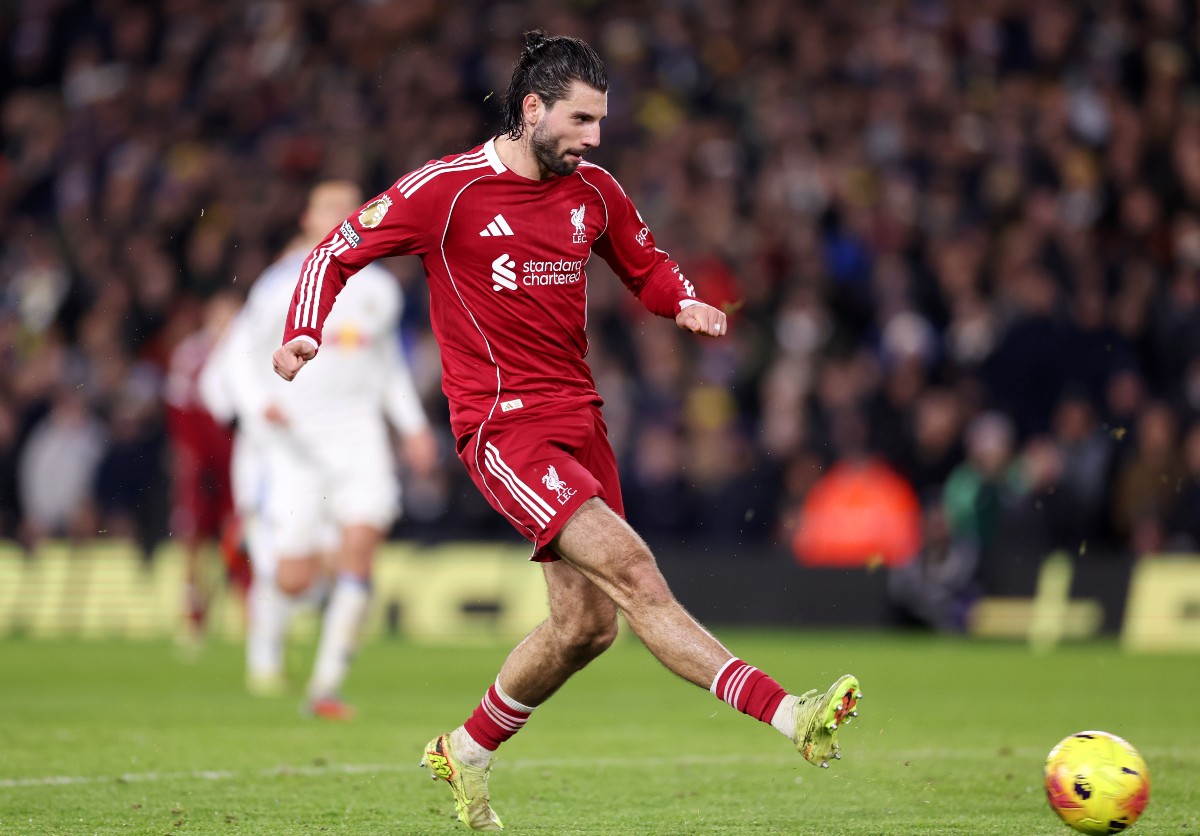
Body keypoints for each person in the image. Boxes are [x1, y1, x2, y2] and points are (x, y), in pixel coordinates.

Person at [272, 32, 862, 830]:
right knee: (635, 570)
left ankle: (467, 750)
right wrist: (305, 330)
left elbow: (646, 263)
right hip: (503, 430)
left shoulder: (595, 190)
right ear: (532, 110)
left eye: (601, 124)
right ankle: (793, 714)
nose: (593, 140)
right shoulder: (445, 192)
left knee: (587, 627)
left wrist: (678, 298)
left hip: (580, 421)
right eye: (582, 122)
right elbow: (335, 250)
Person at [204, 180, 437, 718]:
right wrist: (258, 402)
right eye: (326, 209)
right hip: (296, 444)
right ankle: (265, 602)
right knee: (293, 578)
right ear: (307, 219)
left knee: (359, 549)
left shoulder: (380, 289)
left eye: (346, 209)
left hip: (359, 439)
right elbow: (239, 353)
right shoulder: (282, 283)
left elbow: (386, 367)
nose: (337, 217)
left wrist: (412, 426)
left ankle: (325, 689)